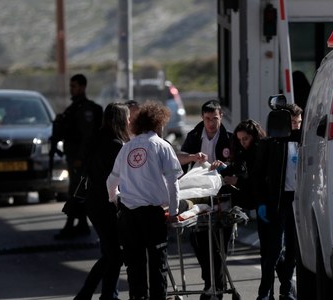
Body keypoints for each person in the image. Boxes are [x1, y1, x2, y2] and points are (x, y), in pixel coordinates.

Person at [106, 100, 183, 300]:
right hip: (152, 214)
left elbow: (111, 181)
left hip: (128, 215)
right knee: (157, 263)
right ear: (159, 123)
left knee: (134, 266)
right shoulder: (162, 146)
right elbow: (173, 183)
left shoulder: (126, 148)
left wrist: (114, 200)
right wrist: (173, 213)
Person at [74, 102, 131, 300]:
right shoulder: (115, 145)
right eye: (128, 118)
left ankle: (101, 295)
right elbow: (119, 177)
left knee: (111, 254)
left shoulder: (96, 139)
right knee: (114, 255)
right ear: (121, 120)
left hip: (94, 203)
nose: (130, 121)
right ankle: (94, 295)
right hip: (106, 204)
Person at [180, 99, 234, 299]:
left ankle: (217, 288)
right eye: (208, 119)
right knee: (199, 242)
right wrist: (193, 157)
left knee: (221, 244)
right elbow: (179, 160)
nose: (212, 123)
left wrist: (224, 166)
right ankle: (209, 283)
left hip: (222, 198)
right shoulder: (193, 137)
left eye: (215, 119)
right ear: (202, 118)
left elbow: (236, 167)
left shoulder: (229, 139)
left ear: (221, 118)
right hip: (198, 198)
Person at [253, 103, 302, 300]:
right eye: (292, 122)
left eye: (298, 122)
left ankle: (286, 289)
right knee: (273, 251)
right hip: (277, 201)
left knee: (292, 250)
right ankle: (264, 292)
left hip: (298, 201)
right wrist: (262, 202)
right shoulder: (270, 143)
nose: (296, 126)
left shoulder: (304, 142)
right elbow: (258, 175)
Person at [54, 73, 103, 240]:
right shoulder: (74, 108)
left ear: (82, 87)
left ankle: (71, 225)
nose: (71, 89)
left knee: (76, 191)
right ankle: (81, 225)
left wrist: (80, 158)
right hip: (74, 157)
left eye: (74, 86)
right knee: (77, 191)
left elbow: (87, 136)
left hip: (80, 159)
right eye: (70, 86)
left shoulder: (86, 109)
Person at [210, 119, 266, 210]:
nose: (242, 143)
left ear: (254, 137)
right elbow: (235, 168)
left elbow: (258, 183)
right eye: (239, 139)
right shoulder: (243, 153)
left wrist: (237, 181)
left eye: (245, 139)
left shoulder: (262, 155)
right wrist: (222, 168)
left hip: (262, 199)